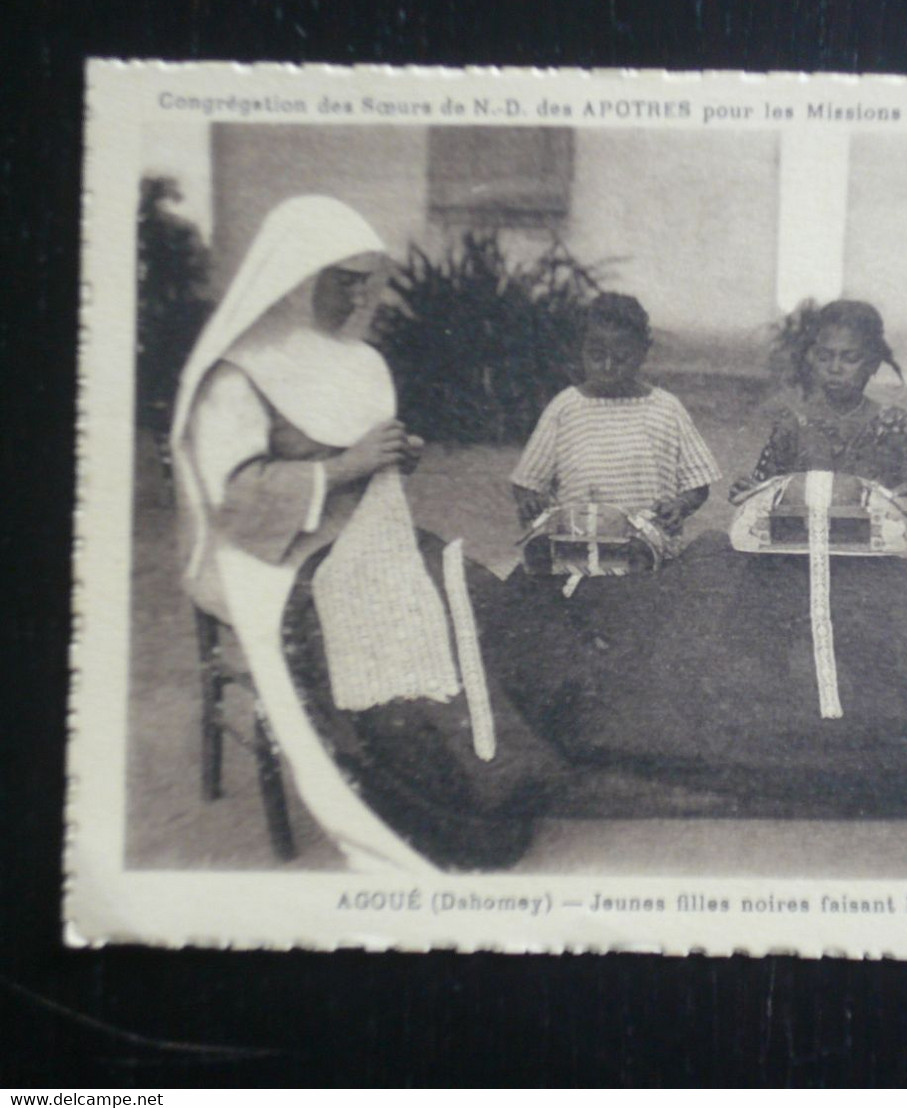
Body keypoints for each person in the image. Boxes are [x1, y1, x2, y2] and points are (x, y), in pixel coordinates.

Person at [172, 195, 552, 872]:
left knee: (458, 584)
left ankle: (494, 773)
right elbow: (234, 502)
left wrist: (395, 459)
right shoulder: (237, 375)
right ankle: (432, 800)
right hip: (271, 558)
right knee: (368, 616)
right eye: (341, 277)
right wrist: (349, 465)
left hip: (355, 539)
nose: (357, 293)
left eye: (363, 278)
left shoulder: (358, 362)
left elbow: (367, 472)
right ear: (294, 275)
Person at [509, 293, 721, 554]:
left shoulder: (666, 409)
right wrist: (530, 501)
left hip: (650, 546)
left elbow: (698, 483)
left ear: (643, 353)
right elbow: (527, 481)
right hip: (578, 544)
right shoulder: (566, 407)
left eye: (621, 358)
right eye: (597, 356)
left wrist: (680, 506)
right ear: (581, 350)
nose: (608, 367)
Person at [730, 299, 907, 525]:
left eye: (850, 358)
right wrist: (748, 492)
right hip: (796, 551)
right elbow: (761, 497)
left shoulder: (894, 425)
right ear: (812, 360)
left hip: (869, 553)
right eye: (824, 357)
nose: (835, 368)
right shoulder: (793, 423)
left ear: (873, 363)